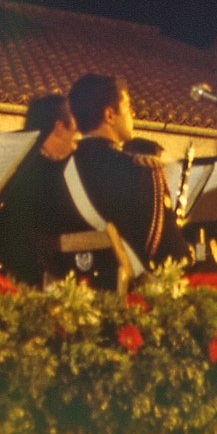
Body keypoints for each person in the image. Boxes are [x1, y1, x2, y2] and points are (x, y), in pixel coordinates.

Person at [52, 75, 188, 285]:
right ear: (109, 115)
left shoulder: (58, 172)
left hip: (73, 294)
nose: (132, 113)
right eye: (127, 107)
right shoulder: (141, 170)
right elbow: (171, 255)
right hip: (133, 298)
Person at [0, 94, 79, 285]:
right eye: (75, 126)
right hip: (34, 279)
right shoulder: (53, 173)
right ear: (58, 127)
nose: (78, 135)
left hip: (5, 274)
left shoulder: (15, 164)